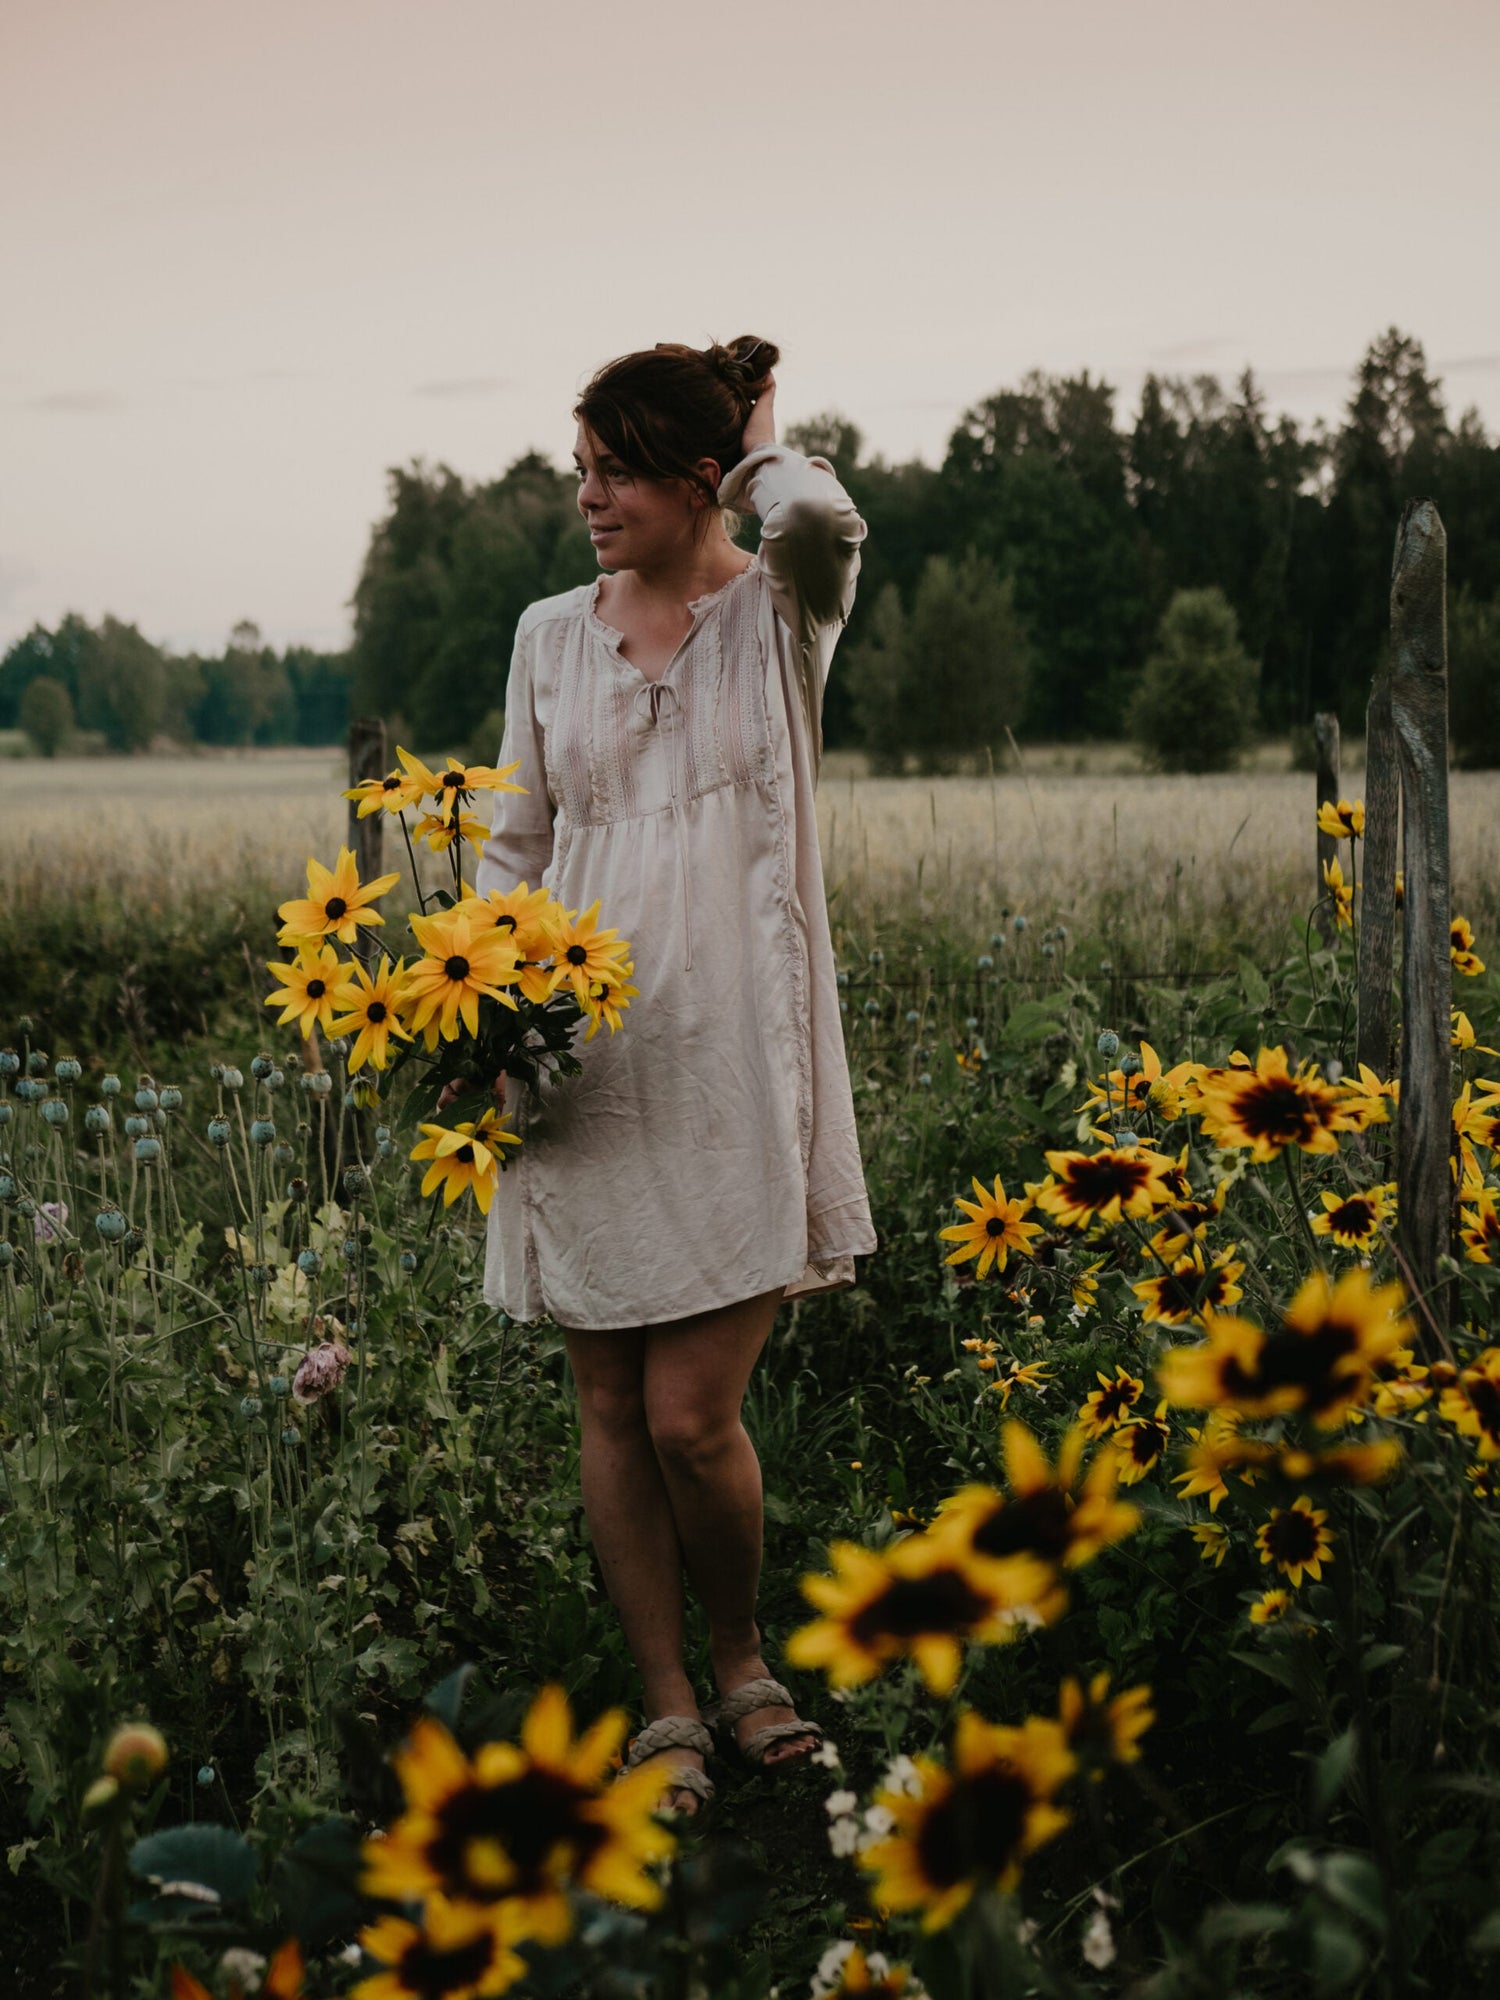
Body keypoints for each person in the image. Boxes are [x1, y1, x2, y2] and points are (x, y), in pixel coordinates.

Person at [471, 334, 877, 1817]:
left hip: (729, 1061)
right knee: (609, 1406)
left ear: (701, 480)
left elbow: (824, 521)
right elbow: (514, 848)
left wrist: (767, 433)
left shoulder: (781, 616)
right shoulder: (546, 639)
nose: (588, 498)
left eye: (618, 470)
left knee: (695, 1417)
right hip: (577, 1074)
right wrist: (482, 1030)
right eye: (580, 468)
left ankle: (745, 1657)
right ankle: (665, 1706)